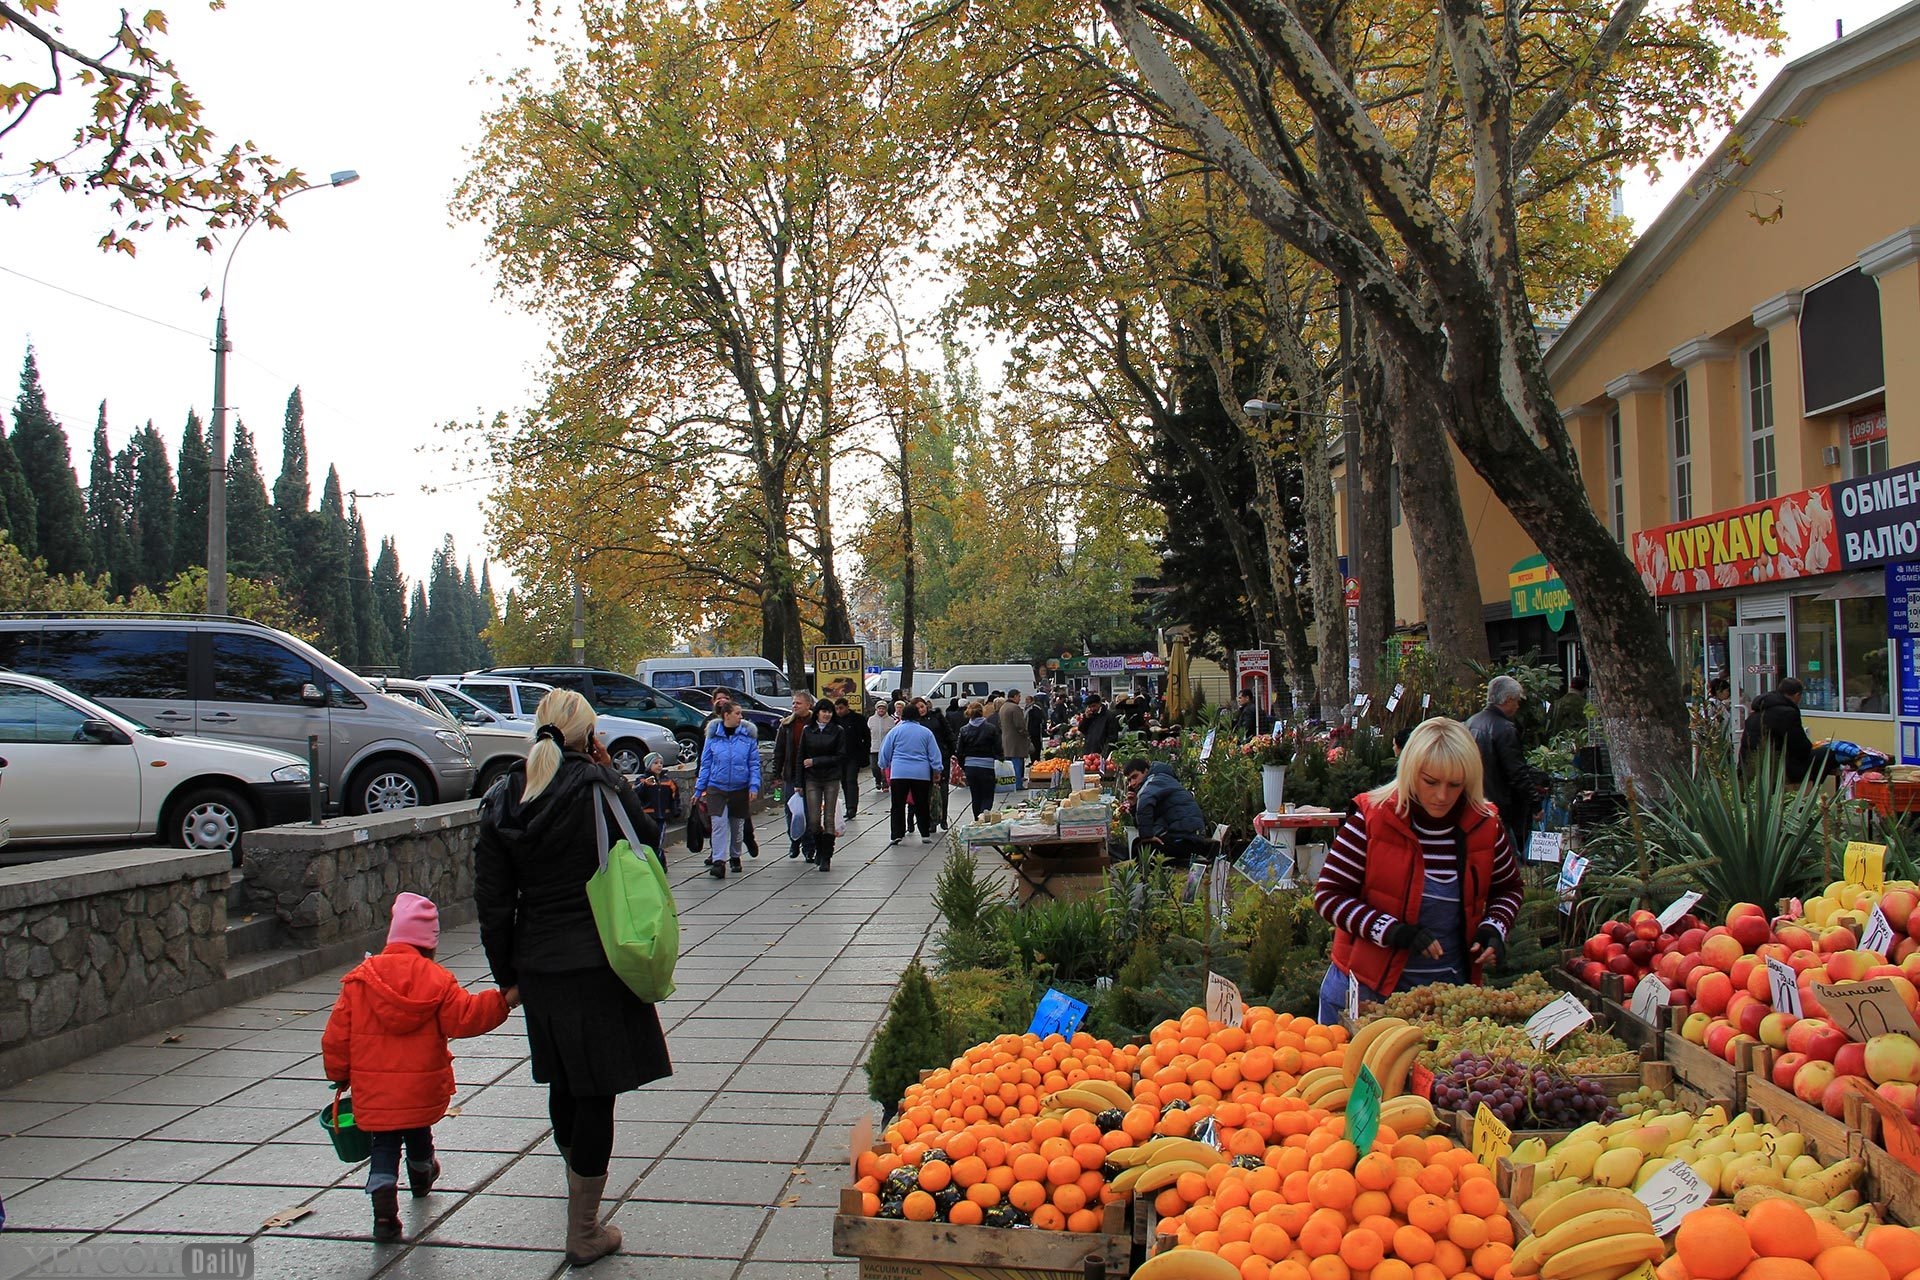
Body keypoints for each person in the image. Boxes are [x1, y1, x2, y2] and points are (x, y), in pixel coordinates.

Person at [475, 689, 672, 1267]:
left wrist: (507, 975)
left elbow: (492, 900)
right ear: (590, 736)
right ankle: (583, 1229)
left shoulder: (502, 797)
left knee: (565, 1082)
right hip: (601, 959)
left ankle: (578, 1200)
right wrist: (610, 774)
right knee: (595, 1094)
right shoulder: (598, 787)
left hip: (539, 964)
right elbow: (648, 844)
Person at [323, 892, 514, 1242]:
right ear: (429, 944)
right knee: (417, 1131)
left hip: (376, 1093)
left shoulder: (360, 980)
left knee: (384, 1143)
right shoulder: (437, 980)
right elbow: (466, 1018)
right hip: (420, 1089)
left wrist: (338, 1073)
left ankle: (383, 1205)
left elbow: (336, 1034)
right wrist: (504, 1000)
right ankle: (422, 1174)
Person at [1312, 718, 1525, 1023]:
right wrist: (1391, 930)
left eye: (1455, 785)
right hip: (1367, 993)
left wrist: (1494, 928)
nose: (1442, 795)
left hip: (1448, 1000)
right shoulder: (1371, 820)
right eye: (1430, 782)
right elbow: (1329, 896)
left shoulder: (1485, 825)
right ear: (1410, 772)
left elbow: (1508, 889)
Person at [1466, 675, 1549, 858]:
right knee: (1507, 856)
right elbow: (1516, 771)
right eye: (1517, 701)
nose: (1518, 706)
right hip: (1500, 803)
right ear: (1509, 699)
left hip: (1475, 799)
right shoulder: (1504, 729)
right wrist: (1535, 804)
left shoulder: (1471, 723)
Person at [693, 703, 761, 878]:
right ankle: (718, 861)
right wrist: (699, 788)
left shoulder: (748, 736)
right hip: (717, 786)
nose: (741, 717)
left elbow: (753, 763)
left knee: (737, 825)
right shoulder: (713, 736)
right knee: (718, 823)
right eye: (737, 713)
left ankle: (735, 855)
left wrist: (753, 785)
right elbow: (706, 763)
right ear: (726, 715)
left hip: (739, 786)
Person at [1124, 757, 1208, 863]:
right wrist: (1134, 805)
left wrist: (1147, 836)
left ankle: (1149, 878)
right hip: (1185, 836)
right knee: (1139, 845)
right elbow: (1145, 820)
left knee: (1143, 849)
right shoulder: (1159, 782)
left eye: (1135, 777)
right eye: (1129, 780)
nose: (1132, 783)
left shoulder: (1156, 780)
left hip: (1187, 839)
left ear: (1146, 771)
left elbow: (1145, 803)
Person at [880, 702, 942, 844]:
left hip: (899, 773)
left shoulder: (895, 731)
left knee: (897, 804)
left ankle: (897, 834)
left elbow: (885, 752)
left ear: (903, 716)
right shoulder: (926, 733)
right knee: (921, 803)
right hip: (921, 773)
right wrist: (937, 769)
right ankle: (925, 833)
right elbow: (934, 753)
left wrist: (883, 765)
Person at [798, 698, 846, 872]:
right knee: (813, 819)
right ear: (817, 712)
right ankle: (818, 848)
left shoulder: (837, 731)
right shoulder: (808, 731)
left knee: (829, 817)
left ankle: (827, 856)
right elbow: (800, 757)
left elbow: (840, 756)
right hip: (812, 779)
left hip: (831, 777)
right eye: (824, 711)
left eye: (829, 712)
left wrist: (816, 761)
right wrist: (798, 782)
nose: (827, 714)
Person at [1741, 676, 1817, 783]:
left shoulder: (1758, 710)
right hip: (1776, 768)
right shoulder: (1788, 713)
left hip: (1748, 767)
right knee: (1826, 756)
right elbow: (1801, 747)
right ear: (1797, 695)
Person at [771, 690, 816, 860]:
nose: (794, 706)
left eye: (798, 703)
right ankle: (794, 839)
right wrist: (776, 774)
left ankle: (809, 847)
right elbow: (779, 751)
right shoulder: (787, 725)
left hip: (811, 775)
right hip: (791, 774)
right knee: (792, 810)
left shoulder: (815, 723)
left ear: (808, 705)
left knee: (809, 812)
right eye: (793, 703)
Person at [956, 700, 1003, 818]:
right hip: (987, 766)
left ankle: (977, 818)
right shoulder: (991, 728)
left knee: (975, 795)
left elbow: (959, 751)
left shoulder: (964, 730)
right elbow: (998, 747)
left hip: (970, 767)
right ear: (982, 712)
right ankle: (984, 815)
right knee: (987, 795)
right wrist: (1000, 759)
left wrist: (964, 765)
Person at [918, 695, 955, 830]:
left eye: (922, 706)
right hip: (924, 759)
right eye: (918, 708)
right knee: (927, 790)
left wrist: (951, 751)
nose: (921, 710)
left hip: (941, 756)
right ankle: (931, 820)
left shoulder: (937, 716)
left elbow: (948, 733)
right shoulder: (915, 721)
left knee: (943, 789)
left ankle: (943, 817)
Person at [834, 697, 869, 820]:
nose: (839, 711)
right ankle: (848, 804)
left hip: (854, 755)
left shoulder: (857, 719)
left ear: (847, 707)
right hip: (839, 756)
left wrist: (864, 754)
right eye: (837, 709)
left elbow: (866, 736)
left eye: (841, 708)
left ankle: (852, 807)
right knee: (843, 781)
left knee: (851, 780)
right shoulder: (834, 720)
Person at [998, 691, 1033, 792]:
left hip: (1006, 739)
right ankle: (1018, 784)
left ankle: (1010, 784)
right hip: (1016, 740)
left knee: (1009, 764)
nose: (1020, 699)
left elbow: (1000, 723)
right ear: (1014, 697)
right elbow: (1020, 725)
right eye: (1019, 696)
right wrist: (1026, 734)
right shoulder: (1015, 708)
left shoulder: (1003, 707)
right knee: (1017, 763)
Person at [634, 752, 677, 826]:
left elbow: (674, 796)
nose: (659, 765)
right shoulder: (642, 779)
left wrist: (675, 810)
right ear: (648, 765)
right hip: (648, 815)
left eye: (661, 763)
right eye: (656, 763)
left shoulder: (668, 781)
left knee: (660, 836)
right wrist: (645, 784)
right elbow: (635, 793)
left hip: (664, 815)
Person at [1548, 675, 1589, 740]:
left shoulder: (1557, 704)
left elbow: (1550, 725)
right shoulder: (1585, 704)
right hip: (1579, 741)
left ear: (1570, 686)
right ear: (1585, 688)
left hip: (1559, 741)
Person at [867, 699, 894, 791]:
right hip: (874, 747)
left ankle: (885, 783)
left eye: (883, 708)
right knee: (874, 767)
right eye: (879, 708)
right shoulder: (871, 719)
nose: (881, 710)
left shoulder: (890, 720)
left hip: (886, 747)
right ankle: (877, 780)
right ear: (876, 709)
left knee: (885, 767)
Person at [1025, 694, 1046, 765]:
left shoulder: (1034, 708)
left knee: (1036, 746)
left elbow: (1038, 719)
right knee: (1031, 746)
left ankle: (1036, 760)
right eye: (1026, 700)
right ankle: (1033, 760)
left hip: (1035, 731)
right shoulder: (1027, 708)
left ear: (1032, 700)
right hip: (1030, 730)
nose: (1026, 701)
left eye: (1028, 699)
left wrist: (1033, 728)